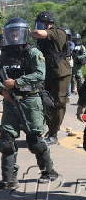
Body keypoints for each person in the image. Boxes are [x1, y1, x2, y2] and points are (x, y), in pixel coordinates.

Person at [0, 17, 59, 190]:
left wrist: (17, 82)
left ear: (23, 33)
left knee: (35, 141)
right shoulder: (4, 55)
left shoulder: (33, 53)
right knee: (6, 141)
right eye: (11, 32)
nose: (14, 35)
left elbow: (39, 75)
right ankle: (9, 178)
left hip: (30, 101)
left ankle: (49, 172)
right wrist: (2, 90)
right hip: (10, 102)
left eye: (17, 32)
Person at [32, 12, 71, 145]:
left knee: (59, 104)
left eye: (41, 24)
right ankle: (50, 130)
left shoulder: (58, 32)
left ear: (49, 24)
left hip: (61, 73)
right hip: (47, 74)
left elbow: (39, 33)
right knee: (46, 102)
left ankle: (53, 134)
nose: (39, 27)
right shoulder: (43, 39)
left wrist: (25, 31)